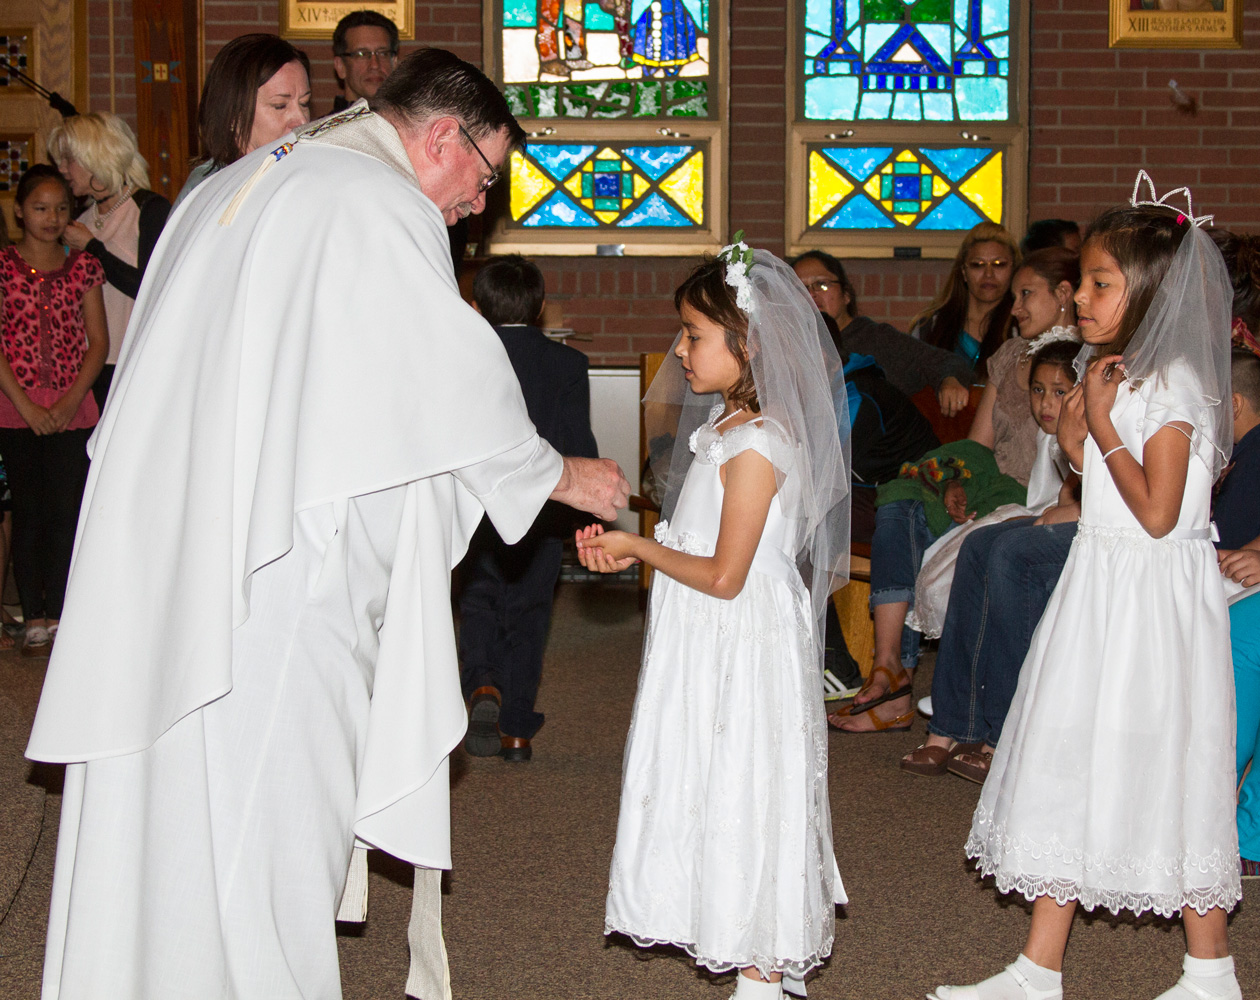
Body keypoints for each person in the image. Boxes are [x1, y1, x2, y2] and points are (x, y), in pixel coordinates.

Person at [25, 48, 629, 999]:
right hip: (283, 570)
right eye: (485, 175)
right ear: (442, 136)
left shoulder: (256, 178)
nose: (481, 203)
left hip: (187, 541)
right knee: (272, 807)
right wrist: (560, 473)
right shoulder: (376, 203)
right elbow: (447, 382)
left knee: (179, 800)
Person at [933, 178, 1240, 1000]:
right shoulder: (1122, 373)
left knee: (1160, 765)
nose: (1085, 297)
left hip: (1147, 603)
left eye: (1103, 283)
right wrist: (1077, 433)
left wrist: (1099, 426)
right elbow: (1098, 482)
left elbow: (1157, 511)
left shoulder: (1172, 386)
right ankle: (1039, 967)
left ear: (1149, 292)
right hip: (1102, 588)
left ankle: (1209, 970)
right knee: (1067, 755)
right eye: (1087, 281)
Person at [576, 241, 851, 999]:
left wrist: (639, 548)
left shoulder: (758, 444)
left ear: (748, 343)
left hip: (738, 639)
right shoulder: (727, 432)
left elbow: (727, 576)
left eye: (695, 334)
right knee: (708, 775)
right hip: (701, 639)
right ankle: (748, 954)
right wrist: (635, 533)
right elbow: (701, 541)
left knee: (747, 782)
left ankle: (764, 971)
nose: (680, 349)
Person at [899, 340, 1082, 780]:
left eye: (1059, 392)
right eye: (1038, 391)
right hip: (1045, 513)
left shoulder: (1090, 424)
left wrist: (1067, 509)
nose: (1046, 404)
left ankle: (1002, 734)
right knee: (977, 547)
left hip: (1092, 523)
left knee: (1007, 554)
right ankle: (950, 724)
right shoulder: (1050, 435)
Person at [459, 254, 599, 762]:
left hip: (475, 508)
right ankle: (517, 729)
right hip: (541, 510)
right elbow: (575, 443)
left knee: (478, 601)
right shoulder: (568, 364)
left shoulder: (463, 355)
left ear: (474, 307)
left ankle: (482, 684)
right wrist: (585, 512)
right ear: (539, 307)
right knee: (530, 613)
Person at [0, 166, 107, 658]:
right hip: (16, 405)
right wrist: (25, 404)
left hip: (73, 406)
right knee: (28, 512)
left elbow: (97, 343)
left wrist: (66, 404)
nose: (52, 217)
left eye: (62, 208)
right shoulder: (3, 266)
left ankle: (63, 612)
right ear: (19, 210)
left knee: (66, 512)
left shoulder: (83, 267)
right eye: (40, 208)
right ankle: (34, 616)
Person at [48, 112, 171, 409]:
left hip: (137, 363)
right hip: (91, 366)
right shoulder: (81, 219)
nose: (62, 169)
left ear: (95, 158)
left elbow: (149, 287)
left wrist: (92, 248)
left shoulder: (149, 209)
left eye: (69, 159)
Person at [793, 249, 973, 416]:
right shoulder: (791, 346)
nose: (811, 294)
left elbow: (944, 361)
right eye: (800, 289)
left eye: (822, 285)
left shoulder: (877, 338)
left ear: (846, 295)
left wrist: (950, 379)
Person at [968, 247, 1080, 487]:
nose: (1014, 308)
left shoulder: (1083, 360)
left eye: (1025, 294)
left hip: (1041, 497)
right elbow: (977, 446)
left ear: (1062, 293)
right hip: (990, 485)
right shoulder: (1010, 354)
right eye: (1014, 297)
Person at [172, 34, 311, 208]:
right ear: (234, 115)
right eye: (280, 106)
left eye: (304, 104)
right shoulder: (207, 193)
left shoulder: (308, 175)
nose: (301, 120)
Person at [911, 222, 1019, 376]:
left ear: (1014, 269)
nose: (989, 274)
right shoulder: (929, 328)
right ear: (963, 272)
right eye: (978, 265)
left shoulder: (1022, 327)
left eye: (999, 264)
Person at [330, 10, 400, 114]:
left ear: (394, 62)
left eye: (383, 53)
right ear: (340, 66)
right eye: (362, 54)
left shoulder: (411, 128)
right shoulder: (324, 129)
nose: (375, 65)